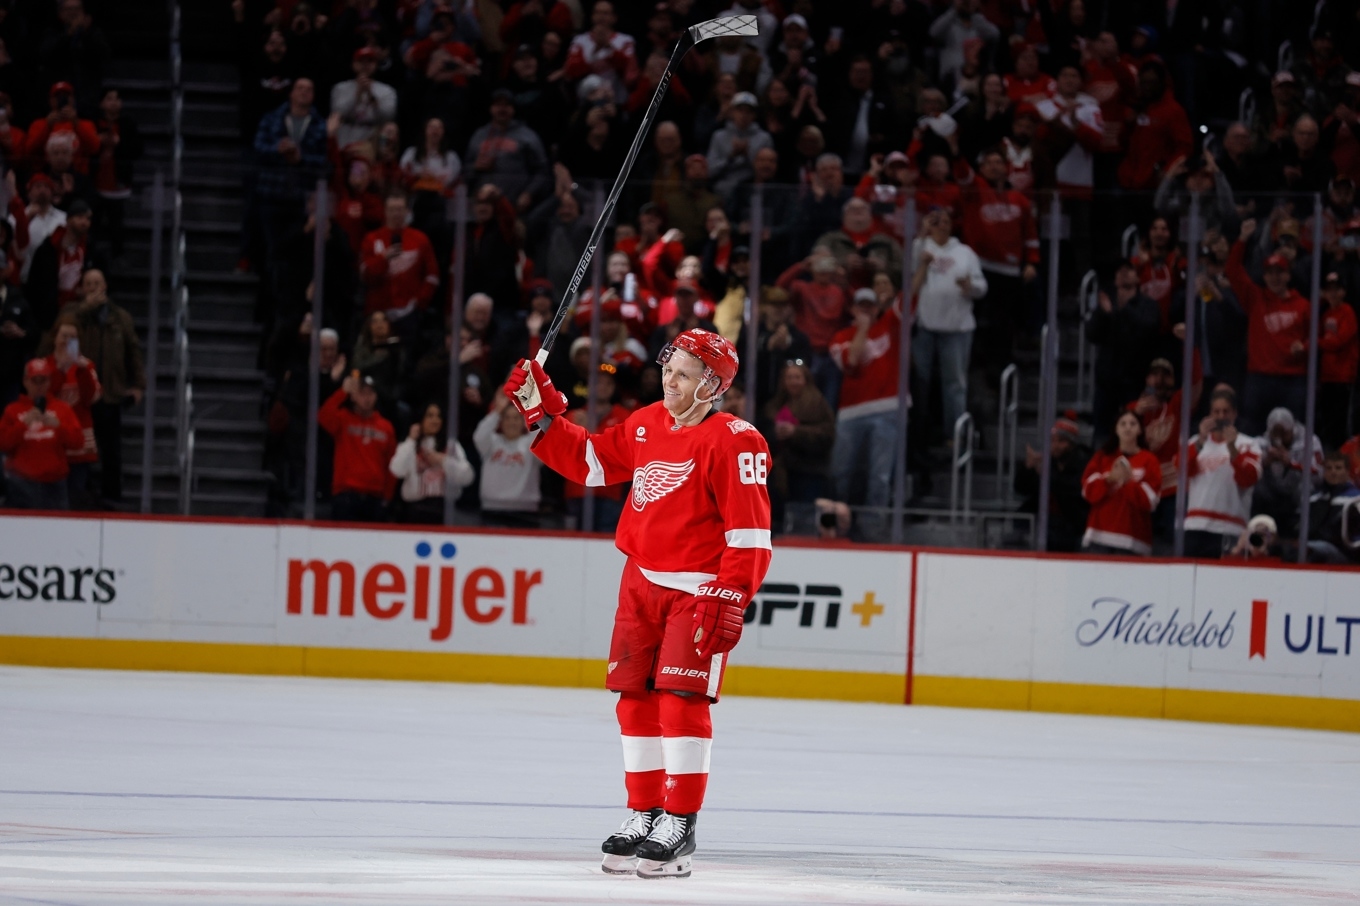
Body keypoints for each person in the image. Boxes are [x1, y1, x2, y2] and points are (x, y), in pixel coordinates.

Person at [504, 328, 771, 879]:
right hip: (640, 582)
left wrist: (731, 591)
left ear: (712, 386)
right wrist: (543, 415)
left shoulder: (736, 440)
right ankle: (643, 810)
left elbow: (750, 534)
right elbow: (592, 462)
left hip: (697, 588)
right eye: (668, 369)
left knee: (680, 701)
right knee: (632, 700)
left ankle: (680, 820)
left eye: (684, 376)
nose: (670, 381)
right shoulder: (647, 421)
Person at [55, 269, 142, 504]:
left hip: (111, 391)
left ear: (105, 286)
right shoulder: (73, 312)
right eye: (88, 283)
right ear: (82, 288)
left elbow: (133, 351)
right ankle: (80, 494)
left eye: (97, 283)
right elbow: (63, 333)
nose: (93, 287)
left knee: (111, 447)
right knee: (81, 444)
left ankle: (112, 497)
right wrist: (86, 309)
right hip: (80, 392)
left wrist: (138, 385)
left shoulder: (120, 317)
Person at [828, 283, 904, 540]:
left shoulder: (891, 324)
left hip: (887, 408)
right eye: (861, 306)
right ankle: (835, 524)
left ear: (877, 308)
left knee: (879, 475)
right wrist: (862, 329)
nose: (866, 310)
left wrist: (922, 267)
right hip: (851, 411)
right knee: (841, 470)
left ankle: (874, 528)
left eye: (870, 306)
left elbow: (910, 295)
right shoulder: (841, 337)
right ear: (853, 309)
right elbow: (852, 362)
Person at [1224, 218, 1311, 435]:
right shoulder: (1255, 298)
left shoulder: (1303, 305)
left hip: (1293, 380)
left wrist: (1305, 346)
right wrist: (1242, 239)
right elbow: (1232, 270)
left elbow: (1315, 337)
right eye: (1270, 273)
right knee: (1251, 429)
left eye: (1280, 272)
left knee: (1294, 432)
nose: (1275, 277)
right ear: (1264, 276)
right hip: (1259, 378)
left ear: (1288, 275)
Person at [910, 209, 986, 438]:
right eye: (936, 222)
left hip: (957, 328)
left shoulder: (965, 253)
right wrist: (922, 233)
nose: (941, 225)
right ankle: (918, 435)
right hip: (924, 326)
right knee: (919, 381)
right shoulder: (919, 246)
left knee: (955, 383)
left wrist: (970, 287)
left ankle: (955, 436)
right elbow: (909, 276)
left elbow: (982, 287)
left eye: (945, 221)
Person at [1183, 387, 1262, 558]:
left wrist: (1232, 449)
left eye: (1226, 411)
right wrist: (1200, 441)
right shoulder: (1195, 442)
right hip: (1195, 525)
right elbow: (1181, 470)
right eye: (1216, 412)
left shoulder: (1248, 444)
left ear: (1234, 414)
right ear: (1210, 414)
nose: (1221, 417)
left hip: (1229, 528)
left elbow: (1249, 478)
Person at [0, 357, 83, 509]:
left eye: (43, 380)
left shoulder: (62, 409)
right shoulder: (12, 410)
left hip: (55, 485)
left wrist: (58, 427)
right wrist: (22, 425)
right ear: (25, 382)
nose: (39, 386)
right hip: (21, 485)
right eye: (35, 381)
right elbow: (3, 443)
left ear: (49, 382)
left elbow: (78, 442)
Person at [762, 358, 835, 526]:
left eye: (797, 377)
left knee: (805, 521)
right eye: (789, 377)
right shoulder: (774, 406)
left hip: (809, 472)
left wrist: (796, 432)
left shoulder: (817, 404)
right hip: (781, 474)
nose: (793, 382)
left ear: (805, 379)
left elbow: (827, 435)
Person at [318, 371, 397, 522]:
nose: (367, 398)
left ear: (376, 396)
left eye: (370, 393)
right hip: (346, 495)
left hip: (374, 498)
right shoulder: (343, 419)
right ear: (353, 396)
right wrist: (343, 392)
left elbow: (391, 465)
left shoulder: (386, 427)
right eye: (362, 393)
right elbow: (323, 416)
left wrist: (387, 497)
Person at [1080, 411, 1162, 555]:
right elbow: (1087, 492)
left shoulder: (1149, 460)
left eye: (1132, 424)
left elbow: (1151, 501)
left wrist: (1128, 481)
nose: (1127, 427)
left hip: (1133, 540)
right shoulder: (1102, 457)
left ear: (1140, 430)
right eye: (1123, 424)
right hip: (1099, 536)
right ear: (1116, 429)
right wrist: (1109, 479)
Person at [44, 314, 99, 508]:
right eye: (64, 336)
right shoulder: (45, 366)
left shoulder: (87, 365)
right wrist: (60, 369)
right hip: (52, 439)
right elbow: (43, 399)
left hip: (80, 440)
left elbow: (90, 398)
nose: (67, 341)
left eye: (73, 337)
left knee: (76, 494)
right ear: (55, 337)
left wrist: (81, 371)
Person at [388, 402, 475, 524]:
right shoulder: (410, 444)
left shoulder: (451, 445)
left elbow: (467, 477)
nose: (435, 420)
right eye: (430, 415)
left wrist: (443, 460)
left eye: (438, 416)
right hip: (414, 511)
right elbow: (397, 470)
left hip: (443, 511)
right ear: (421, 419)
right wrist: (411, 440)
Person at [1015, 415, 1091, 553]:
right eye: (1052, 440)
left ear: (1072, 444)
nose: (1055, 446)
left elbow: (1073, 491)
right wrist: (1028, 468)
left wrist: (1046, 475)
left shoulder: (1084, 463)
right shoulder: (1049, 463)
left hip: (1073, 524)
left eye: (1061, 441)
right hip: (1047, 523)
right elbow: (1020, 488)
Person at [1252, 407, 1323, 538]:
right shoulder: (1260, 442)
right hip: (1271, 491)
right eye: (1275, 433)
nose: (1279, 438)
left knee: (1306, 487)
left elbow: (1319, 474)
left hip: (1295, 490)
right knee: (1254, 484)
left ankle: (1303, 527)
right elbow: (1248, 471)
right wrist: (1265, 462)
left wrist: (1291, 463)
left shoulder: (1310, 441)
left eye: (1283, 433)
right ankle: (1256, 523)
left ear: (1292, 429)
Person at [474, 387, 541, 527]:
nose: (512, 422)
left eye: (516, 418)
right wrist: (497, 412)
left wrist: (528, 410)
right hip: (492, 509)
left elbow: (543, 442)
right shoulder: (491, 442)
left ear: (523, 421)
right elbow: (478, 436)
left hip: (525, 511)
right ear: (500, 421)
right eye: (507, 418)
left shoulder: (530, 444)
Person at [1317, 273, 1357, 448]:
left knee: (1341, 422)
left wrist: (1315, 343)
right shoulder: (1325, 313)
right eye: (1329, 290)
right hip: (1327, 376)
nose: (1332, 294)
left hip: (1343, 376)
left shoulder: (1347, 312)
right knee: (1328, 419)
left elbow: (1340, 340)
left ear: (1343, 292)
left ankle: (1343, 458)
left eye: (1336, 289)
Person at [329, 47, 397, 151]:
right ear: (354, 64)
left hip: (373, 139)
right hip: (346, 138)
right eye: (361, 61)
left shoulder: (387, 90)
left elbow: (388, 117)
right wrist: (357, 94)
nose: (365, 65)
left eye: (370, 61)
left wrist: (371, 95)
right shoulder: (340, 88)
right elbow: (337, 114)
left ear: (375, 65)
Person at [1306, 450, 1360, 563]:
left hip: (1345, 551)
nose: (1333, 472)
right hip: (1314, 544)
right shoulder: (1314, 497)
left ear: (1347, 471)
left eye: (1338, 468)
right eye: (1329, 468)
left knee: (1309, 549)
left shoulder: (1356, 498)